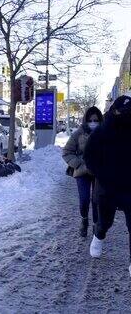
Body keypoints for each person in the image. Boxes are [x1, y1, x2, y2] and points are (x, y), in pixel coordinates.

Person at [84, 93, 131, 277]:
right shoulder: (101, 132)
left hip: (129, 186)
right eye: (121, 111)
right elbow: (90, 157)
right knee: (105, 221)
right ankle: (99, 235)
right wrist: (102, 175)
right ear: (114, 111)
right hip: (107, 187)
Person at [62, 106, 104, 237]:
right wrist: (78, 164)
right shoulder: (78, 133)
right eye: (90, 120)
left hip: (99, 172)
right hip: (82, 172)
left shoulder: (105, 133)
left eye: (96, 120)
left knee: (97, 200)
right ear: (86, 120)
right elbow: (67, 152)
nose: (93, 122)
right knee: (84, 199)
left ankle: (96, 225)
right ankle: (84, 220)